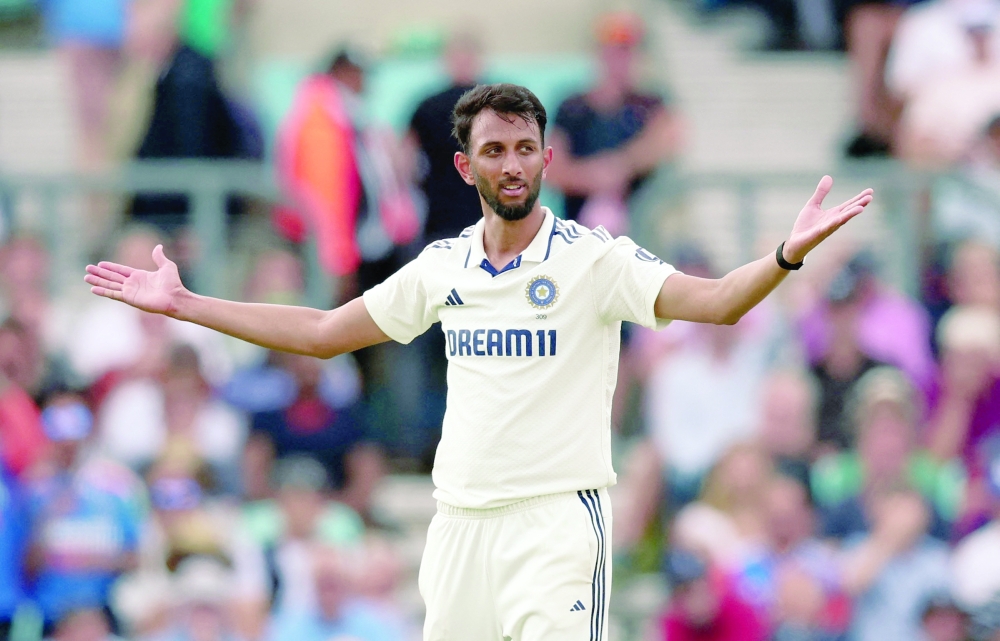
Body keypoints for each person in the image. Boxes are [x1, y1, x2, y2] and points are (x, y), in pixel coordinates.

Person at [85, 82, 873, 639]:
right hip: (460, 524)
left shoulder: (594, 260)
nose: (513, 164)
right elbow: (325, 331)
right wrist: (189, 305)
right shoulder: (444, 266)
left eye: (526, 148)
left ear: (547, 157)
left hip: (557, 522)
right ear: (466, 166)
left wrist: (784, 254)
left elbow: (719, 301)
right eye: (495, 149)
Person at [546, 12, 682, 232]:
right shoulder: (572, 107)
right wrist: (592, 177)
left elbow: (668, 138)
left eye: (626, 52)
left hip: (641, 228)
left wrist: (621, 165)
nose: (619, 60)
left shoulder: (649, 104)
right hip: (579, 227)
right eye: (613, 51)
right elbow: (551, 168)